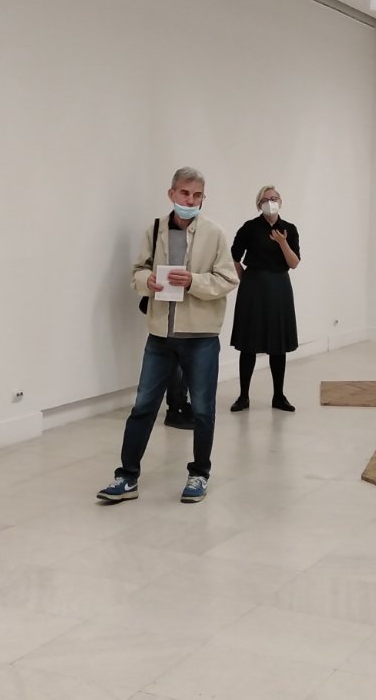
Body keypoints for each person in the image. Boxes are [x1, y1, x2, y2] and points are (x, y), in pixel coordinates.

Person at [98, 167, 239, 504]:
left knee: (202, 410)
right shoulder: (155, 230)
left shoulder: (215, 234)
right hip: (160, 336)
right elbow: (137, 272)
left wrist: (194, 282)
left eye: (197, 195)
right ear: (171, 193)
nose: (190, 201)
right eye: (184, 193)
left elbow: (228, 279)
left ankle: (199, 474)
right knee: (143, 406)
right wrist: (146, 281)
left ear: (203, 198)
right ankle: (126, 477)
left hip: (201, 337)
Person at [229, 185, 300, 412]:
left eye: (275, 198)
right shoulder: (250, 227)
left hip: (280, 286)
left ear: (281, 201)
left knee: (278, 344)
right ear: (259, 204)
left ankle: (279, 395)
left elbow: (294, 263)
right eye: (266, 199)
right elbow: (234, 255)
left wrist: (282, 242)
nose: (271, 202)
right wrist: (244, 276)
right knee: (248, 342)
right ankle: (243, 396)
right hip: (254, 286)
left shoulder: (289, 229)